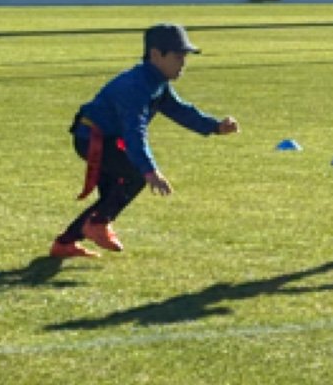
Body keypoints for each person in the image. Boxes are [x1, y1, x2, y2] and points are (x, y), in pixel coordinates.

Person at [50, 23, 240, 259]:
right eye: (178, 56)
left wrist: (215, 126)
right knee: (135, 177)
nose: (183, 62)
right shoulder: (136, 87)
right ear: (155, 55)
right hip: (93, 139)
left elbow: (181, 111)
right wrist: (150, 171)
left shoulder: (156, 83)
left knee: (110, 199)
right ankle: (96, 224)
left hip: (103, 138)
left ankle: (65, 243)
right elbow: (134, 133)